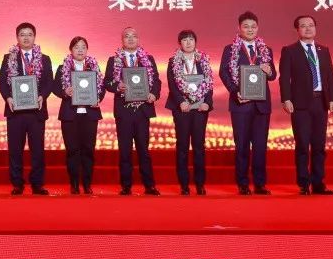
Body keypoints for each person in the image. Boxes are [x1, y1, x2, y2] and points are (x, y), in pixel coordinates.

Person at [279, 15, 333, 195]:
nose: (308, 28)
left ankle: (318, 183)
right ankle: (303, 183)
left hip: (321, 102)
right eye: (303, 26)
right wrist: (286, 99)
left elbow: (330, 76)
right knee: (303, 145)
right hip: (300, 105)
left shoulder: (323, 50)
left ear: (315, 28)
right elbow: (284, 78)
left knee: (319, 146)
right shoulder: (290, 51)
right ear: (297, 30)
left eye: (311, 25)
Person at [218, 11, 277, 195]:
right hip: (240, 103)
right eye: (246, 26)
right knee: (242, 145)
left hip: (262, 105)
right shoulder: (230, 49)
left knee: (260, 146)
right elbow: (223, 72)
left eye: (253, 26)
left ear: (257, 28)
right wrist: (235, 92)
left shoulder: (266, 49)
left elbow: (273, 75)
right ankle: (242, 183)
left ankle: (260, 184)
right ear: (239, 28)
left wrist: (269, 71)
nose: (250, 30)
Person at [103, 27, 162, 195]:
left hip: (143, 110)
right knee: (125, 150)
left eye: (134, 36)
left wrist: (154, 94)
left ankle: (149, 186)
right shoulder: (113, 60)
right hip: (124, 111)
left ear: (138, 39)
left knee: (144, 149)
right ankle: (126, 186)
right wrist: (117, 86)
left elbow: (156, 80)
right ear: (122, 40)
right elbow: (107, 82)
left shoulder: (148, 58)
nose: (130, 39)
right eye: (127, 36)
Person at [0, 23, 54, 195]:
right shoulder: (9, 58)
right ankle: (17, 184)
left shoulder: (44, 58)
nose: (26, 37)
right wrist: (8, 97)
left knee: (37, 150)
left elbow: (49, 82)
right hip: (15, 111)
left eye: (30, 34)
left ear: (34, 37)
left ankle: (37, 184)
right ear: (17, 38)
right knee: (15, 149)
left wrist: (42, 96)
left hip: (36, 111)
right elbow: (2, 82)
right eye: (22, 34)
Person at [52, 36, 105, 195]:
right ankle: (74, 183)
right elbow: (55, 87)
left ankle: (87, 183)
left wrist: (98, 98)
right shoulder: (63, 67)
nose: (80, 50)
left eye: (83, 47)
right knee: (72, 150)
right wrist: (65, 92)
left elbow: (101, 87)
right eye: (76, 47)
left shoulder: (94, 66)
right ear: (71, 50)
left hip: (90, 114)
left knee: (88, 149)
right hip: (70, 115)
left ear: (87, 50)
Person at [166, 30, 214, 196]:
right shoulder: (173, 61)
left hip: (200, 109)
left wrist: (207, 103)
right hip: (182, 108)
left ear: (195, 42)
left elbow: (209, 83)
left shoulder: (203, 60)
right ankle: (184, 184)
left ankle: (200, 184)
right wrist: (181, 101)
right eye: (185, 40)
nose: (188, 42)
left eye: (191, 39)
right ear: (179, 43)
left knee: (199, 146)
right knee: (182, 146)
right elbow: (172, 84)